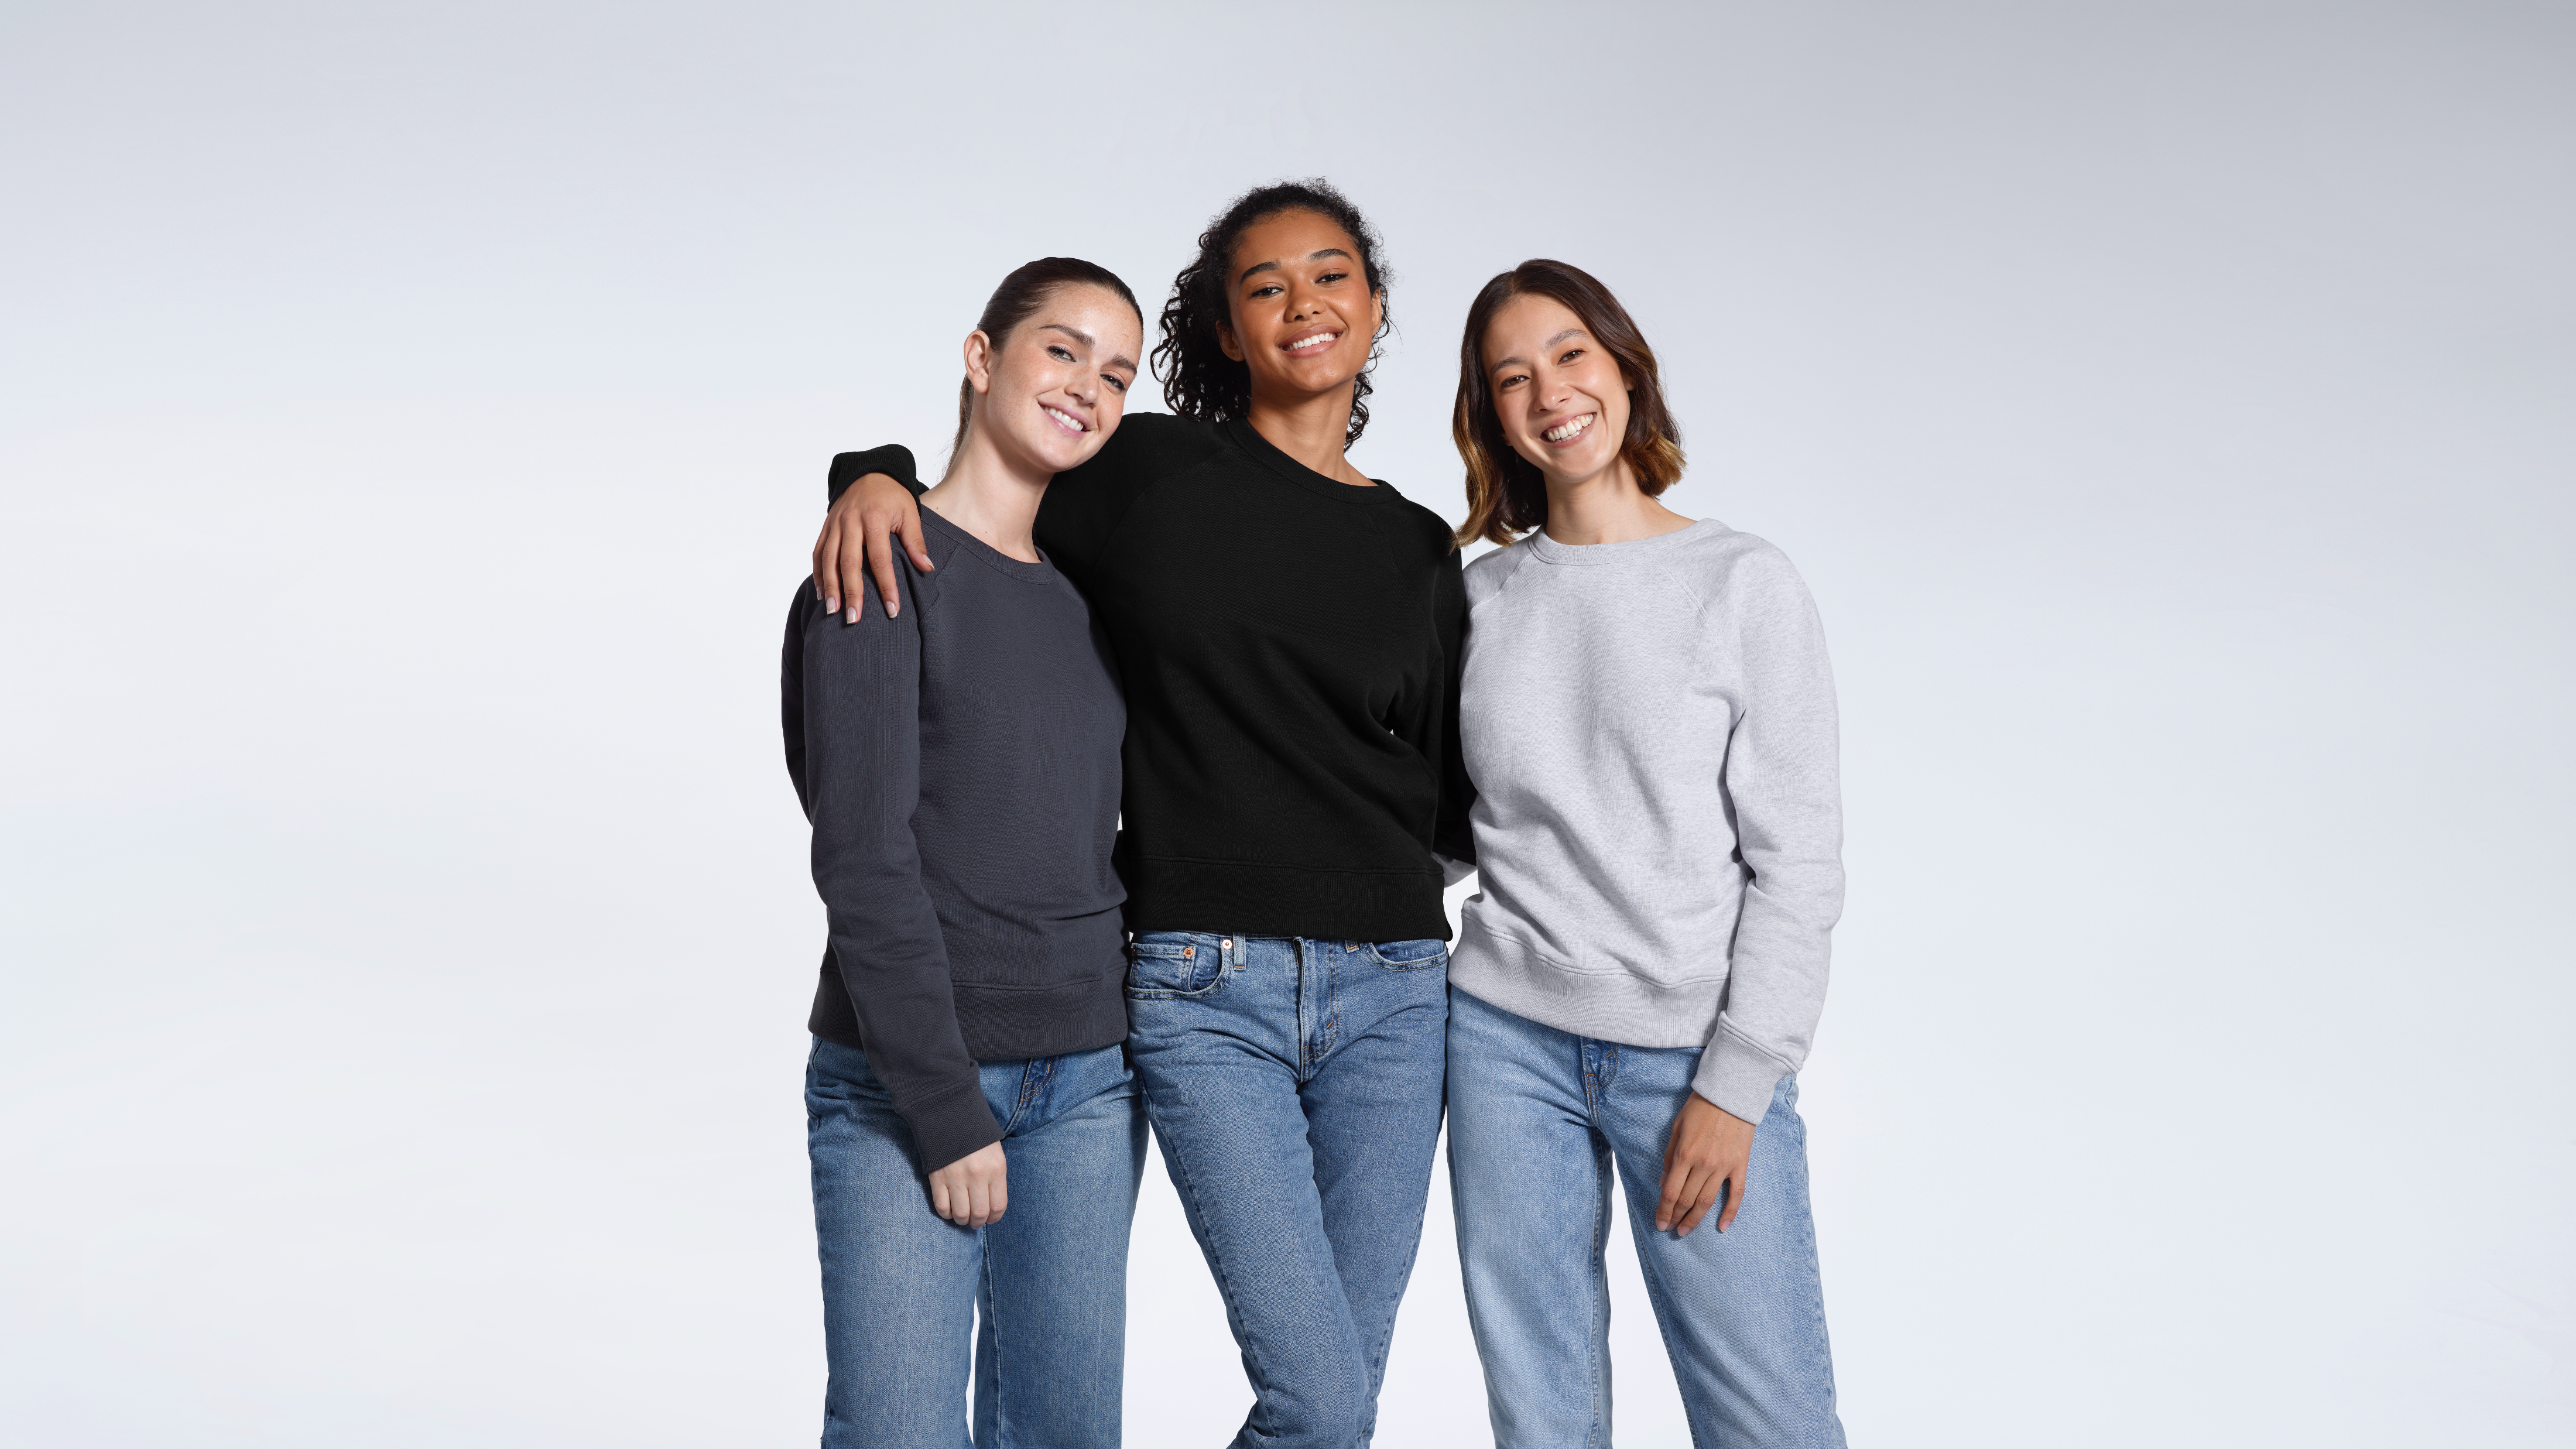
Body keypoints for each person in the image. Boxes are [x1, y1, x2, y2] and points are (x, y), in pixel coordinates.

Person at [816, 180, 1472, 1449]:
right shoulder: (1150, 466)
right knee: (1317, 1398)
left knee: (1338, 1409)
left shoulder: (1416, 545)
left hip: (1397, 990)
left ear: (1376, 307)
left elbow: (1445, 785)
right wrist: (869, 475)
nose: (1302, 303)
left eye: (1329, 274)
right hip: (1198, 979)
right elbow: (997, 460)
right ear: (1225, 329)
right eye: (1263, 285)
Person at [1441, 259, 1851, 1447]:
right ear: (1489, 415)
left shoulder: (1741, 583)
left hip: (1691, 1055)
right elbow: (1445, 828)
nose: (1549, 392)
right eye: (1509, 376)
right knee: (1542, 1420)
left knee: (1766, 1419)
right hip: (1503, 1046)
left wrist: (1740, 1077)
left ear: (1623, 366)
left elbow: (1800, 864)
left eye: (1570, 354)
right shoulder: (1479, 598)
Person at [783, 256, 1150, 1449]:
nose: (1088, 387)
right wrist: (946, 1111)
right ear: (981, 356)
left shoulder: (1084, 599)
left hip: (1087, 1084)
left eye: (1116, 373)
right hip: (909, 1081)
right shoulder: (880, 562)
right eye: (1061, 349)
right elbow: (861, 861)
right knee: (899, 1432)